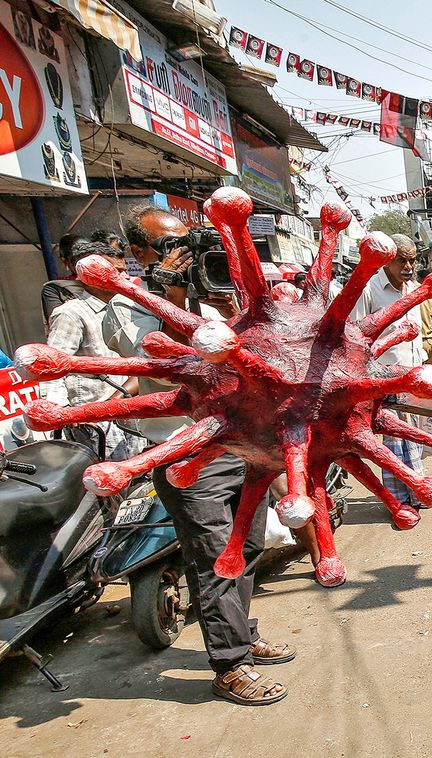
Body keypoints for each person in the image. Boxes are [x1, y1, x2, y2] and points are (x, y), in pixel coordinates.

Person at [105, 204, 292, 705]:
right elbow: (165, 361)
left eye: (185, 242)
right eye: (168, 246)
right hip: (183, 453)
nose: (182, 255)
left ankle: (242, 636)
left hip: (233, 447)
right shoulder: (124, 309)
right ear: (139, 253)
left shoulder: (207, 302)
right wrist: (168, 296)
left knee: (246, 547)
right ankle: (230, 666)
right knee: (213, 557)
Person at [350, 234, 428, 514]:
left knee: (415, 435)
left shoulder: (414, 289)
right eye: (401, 261)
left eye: (412, 260)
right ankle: (401, 500)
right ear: (387, 261)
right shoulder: (369, 289)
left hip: (414, 375)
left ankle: (417, 491)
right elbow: (354, 335)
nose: (408, 266)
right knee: (395, 441)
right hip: (383, 377)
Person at [43, 241, 140, 459]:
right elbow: (52, 368)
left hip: (129, 409)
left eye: (123, 271)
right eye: (115, 272)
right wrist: (64, 412)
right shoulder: (71, 314)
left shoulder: (125, 308)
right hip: (95, 419)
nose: (123, 278)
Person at [40, 233, 89, 323]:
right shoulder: (55, 289)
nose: (84, 263)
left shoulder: (106, 281)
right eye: (77, 257)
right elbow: (58, 323)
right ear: (65, 260)